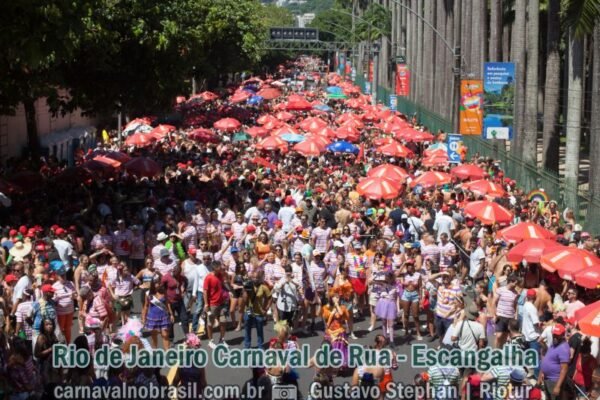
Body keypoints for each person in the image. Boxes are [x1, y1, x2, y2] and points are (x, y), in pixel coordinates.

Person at [538, 323, 570, 400]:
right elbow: (547, 359)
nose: (555, 336)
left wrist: (558, 386)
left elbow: (564, 369)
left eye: (557, 335)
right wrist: (541, 374)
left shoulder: (564, 348)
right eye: (554, 334)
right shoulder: (554, 344)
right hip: (547, 379)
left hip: (554, 381)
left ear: (562, 335)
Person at [142, 277, 173, 349]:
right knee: (154, 336)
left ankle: (167, 353)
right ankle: (155, 351)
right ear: (153, 284)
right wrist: (144, 317)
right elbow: (146, 306)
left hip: (163, 317)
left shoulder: (163, 292)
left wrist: (171, 314)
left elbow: (167, 303)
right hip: (153, 318)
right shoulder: (148, 294)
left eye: (159, 283)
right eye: (156, 283)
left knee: (165, 335)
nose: (158, 284)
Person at [243, 270, 271, 349]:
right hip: (248, 311)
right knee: (247, 330)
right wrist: (246, 290)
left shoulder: (263, 287)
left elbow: (269, 298)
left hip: (259, 312)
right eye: (253, 277)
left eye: (257, 278)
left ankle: (260, 346)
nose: (255, 279)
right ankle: (247, 346)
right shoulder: (248, 285)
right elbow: (244, 300)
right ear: (251, 278)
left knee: (259, 330)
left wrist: (266, 308)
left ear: (259, 278)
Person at [203, 260, 228, 348]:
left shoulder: (220, 275)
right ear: (215, 268)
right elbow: (205, 292)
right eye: (220, 266)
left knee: (223, 321)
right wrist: (206, 304)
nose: (221, 268)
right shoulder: (208, 277)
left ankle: (222, 339)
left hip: (221, 303)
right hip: (212, 304)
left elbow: (222, 285)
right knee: (210, 323)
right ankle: (211, 341)